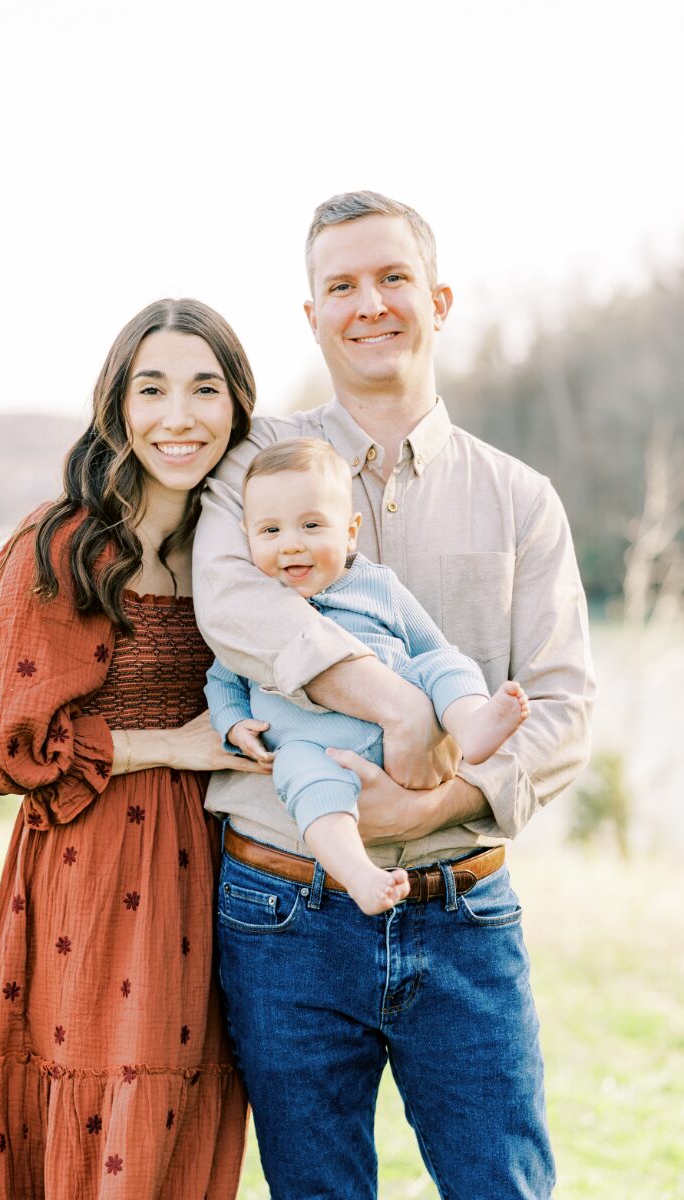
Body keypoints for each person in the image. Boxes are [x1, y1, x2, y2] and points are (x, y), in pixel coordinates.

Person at [192, 191, 594, 1198]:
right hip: (281, 911)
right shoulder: (250, 463)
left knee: (500, 1186)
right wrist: (397, 708)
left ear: (437, 298)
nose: (366, 304)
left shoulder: (517, 498)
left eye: (390, 278)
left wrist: (433, 799)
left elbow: (559, 704)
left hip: (463, 909)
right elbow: (230, 606)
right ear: (311, 315)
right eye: (339, 285)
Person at [0, 298, 266, 1198]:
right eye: (153, 388)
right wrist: (171, 745)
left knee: (184, 1102)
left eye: (206, 389)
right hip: (94, 862)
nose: (179, 416)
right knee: (97, 1085)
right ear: (117, 406)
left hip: (218, 863)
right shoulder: (65, 544)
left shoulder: (235, 546)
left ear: (237, 408)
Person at [204, 437, 531, 916]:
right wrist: (233, 725)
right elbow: (222, 680)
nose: (290, 542)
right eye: (269, 530)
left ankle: (474, 725)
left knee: (446, 664)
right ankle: (358, 873)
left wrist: (437, 702)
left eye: (312, 525)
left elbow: (432, 645)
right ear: (247, 535)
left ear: (350, 532)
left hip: (418, 743)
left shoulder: (377, 585)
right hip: (318, 749)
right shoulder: (252, 607)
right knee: (302, 779)